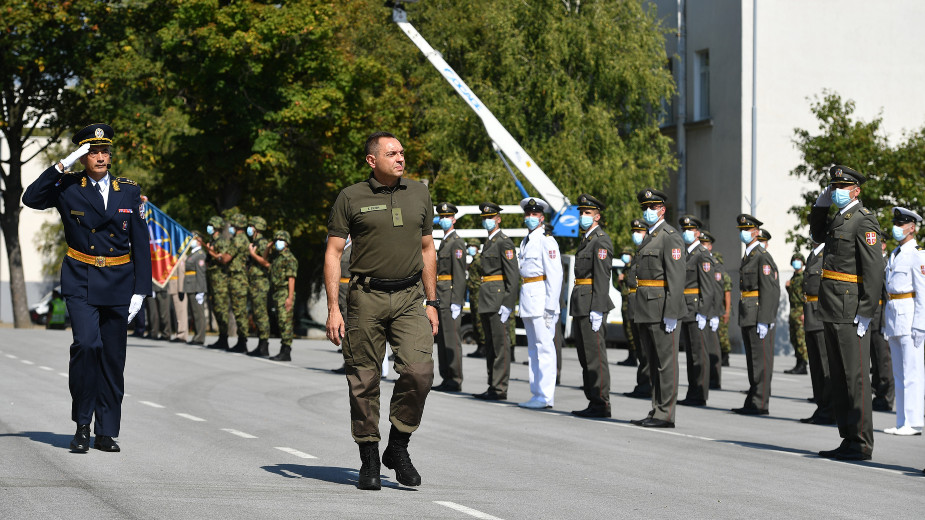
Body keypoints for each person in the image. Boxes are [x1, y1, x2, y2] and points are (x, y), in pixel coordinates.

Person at [22, 123, 152, 453]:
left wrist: (141, 290)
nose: (100, 157)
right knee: (86, 346)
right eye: (92, 152)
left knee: (112, 358)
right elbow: (31, 198)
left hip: (119, 281)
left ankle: (106, 431)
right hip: (80, 277)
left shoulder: (129, 191)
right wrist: (62, 164)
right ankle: (82, 424)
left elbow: (140, 242)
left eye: (104, 151)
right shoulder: (68, 186)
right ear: (83, 156)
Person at [324, 131, 438, 491]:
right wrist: (333, 308)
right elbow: (333, 253)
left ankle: (398, 445)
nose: (401, 158)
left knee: (419, 374)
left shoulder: (419, 192)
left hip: (409, 297)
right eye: (392, 153)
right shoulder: (351, 197)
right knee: (363, 381)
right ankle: (369, 457)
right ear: (372, 160)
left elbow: (427, 249)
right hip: (365, 297)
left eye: (402, 152)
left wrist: (432, 302)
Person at [809, 165, 884, 461]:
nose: (836, 191)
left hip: (851, 309)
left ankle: (862, 442)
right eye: (833, 187)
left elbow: (875, 269)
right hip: (831, 306)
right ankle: (849, 437)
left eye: (841, 187)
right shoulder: (840, 218)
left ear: (856, 190)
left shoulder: (863, 221)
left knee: (855, 377)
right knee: (839, 376)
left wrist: (867, 311)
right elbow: (816, 235)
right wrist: (819, 206)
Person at [629, 189, 684, 428]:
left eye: (652, 207)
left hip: (662, 308)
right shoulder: (650, 237)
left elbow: (676, 278)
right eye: (645, 208)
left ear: (662, 209)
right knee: (652, 362)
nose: (647, 212)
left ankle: (666, 414)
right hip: (646, 308)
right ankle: (656, 408)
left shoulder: (670, 236)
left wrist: (671, 313)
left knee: (666, 362)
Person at [569, 194, 615, 418]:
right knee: (585, 356)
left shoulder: (601, 240)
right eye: (581, 212)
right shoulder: (586, 240)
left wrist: (597, 308)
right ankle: (592, 399)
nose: (583, 216)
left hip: (591, 304)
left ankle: (602, 403)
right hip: (581, 302)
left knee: (595, 355)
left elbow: (602, 276)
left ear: (597, 216)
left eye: (587, 213)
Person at [882, 207, 925, 436]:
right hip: (894, 314)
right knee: (899, 372)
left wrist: (920, 324)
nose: (897, 228)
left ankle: (914, 421)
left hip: (910, 316)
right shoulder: (895, 252)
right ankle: (902, 421)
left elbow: (922, 291)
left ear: (912, 227)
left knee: (913, 370)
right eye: (896, 223)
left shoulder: (918, 254)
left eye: (901, 224)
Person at [516, 197, 562, 409]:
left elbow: (555, 275)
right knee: (534, 350)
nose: (530, 218)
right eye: (528, 214)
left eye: (534, 214)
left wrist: (550, 308)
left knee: (545, 348)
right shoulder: (526, 240)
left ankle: (545, 396)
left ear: (542, 217)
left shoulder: (546, 240)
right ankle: (536, 393)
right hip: (528, 298)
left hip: (542, 300)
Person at [733, 214, 780, 416]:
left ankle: (760, 402)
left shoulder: (762, 256)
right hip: (748, 312)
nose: (743, 233)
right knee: (753, 360)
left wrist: (765, 319)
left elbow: (770, 289)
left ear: (755, 232)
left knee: (761, 360)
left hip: (758, 313)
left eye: (747, 229)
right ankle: (753, 398)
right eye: (741, 229)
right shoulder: (748, 256)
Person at [473, 201, 520, 401]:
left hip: (498, 299)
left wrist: (508, 303)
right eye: (484, 218)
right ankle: (493, 385)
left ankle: (500, 388)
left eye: (490, 218)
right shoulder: (489, 241)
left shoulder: (504, 242)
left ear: (498, 219)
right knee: (491, 345)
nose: (487, 221)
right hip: (486, 298)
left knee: (500, 346)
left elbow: (513, 276)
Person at [676, 215, 718, 407]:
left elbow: (708, 287)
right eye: (684, 229)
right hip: (686, 309)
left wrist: (703, 311)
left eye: (690, 230)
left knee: (699, 354)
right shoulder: (686, 254)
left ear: (698, 233)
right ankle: (692, 391)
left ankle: (700, 393)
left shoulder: (703, 254)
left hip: (696, 309)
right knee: (691, 354)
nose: (686, 233)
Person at [432, 202, 467, 392]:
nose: (444, 220)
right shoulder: (445, 242)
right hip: (441, 295)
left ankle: (455, 378)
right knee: (443, 339)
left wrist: (457, 301)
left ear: (454, 219)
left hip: (450, 295)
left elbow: (460, 275)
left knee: (452, 339)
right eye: (442, 217)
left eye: (447, 217)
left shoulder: (456, 242)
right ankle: (446, 376)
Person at [799, 238, 835, 425]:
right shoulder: (813, 255)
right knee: (815, 366)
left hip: (821, 314)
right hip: (810, 312)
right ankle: (821, 407)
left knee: (825, 364)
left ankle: (830, 410)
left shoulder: (827, 255)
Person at [624, 218, 653, 399]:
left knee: (645, 348)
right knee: (639, 349)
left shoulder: (649, 253)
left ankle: (647, 385)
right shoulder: (638, 253)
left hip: (643, 305)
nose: (636, 235)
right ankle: (642, 383)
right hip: (634, 305)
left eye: (639, 231)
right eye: (634, 231)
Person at [870, 235, 895, 413]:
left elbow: (887, 295)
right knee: (875, 360)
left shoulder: (887, 264)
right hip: (871, 316)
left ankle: (886, 397)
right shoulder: (871, 262)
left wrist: (887, 322)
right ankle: (878, 394)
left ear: (884, 245)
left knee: (884, 360)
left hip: (881, 316)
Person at [697, 229, 723, 389]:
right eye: (701, 243)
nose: (703, 246)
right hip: (700, 308)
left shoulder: (715, 264)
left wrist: (714, 313)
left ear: (710, 246)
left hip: (711, 311)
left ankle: (714, 379)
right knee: (702, 347)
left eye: (705, 244)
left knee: (713, 347)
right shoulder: (698, 260)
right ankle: (705, 378)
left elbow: (717, 290)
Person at [268, 230, 298, 362]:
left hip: (285, 292)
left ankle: (286, 351)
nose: (277, 242)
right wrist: (269, 246)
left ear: (286, 242)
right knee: (281, 321)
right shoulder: (277, 257)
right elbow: (264, 258)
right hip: (277, 292)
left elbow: (291, 279)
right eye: (276, 240)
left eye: (280, 240)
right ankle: (283, 349)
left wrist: (290, 298)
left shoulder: (289, 258)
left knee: (285, 321)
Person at [246, 216, 272, 357]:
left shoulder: (262, 243)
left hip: (260, 283)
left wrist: (252, 254)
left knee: (261, 313)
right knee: (256, 313)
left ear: (256, 227)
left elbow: (266, 263)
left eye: (251, 226)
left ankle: (264, 345)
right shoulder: (255, 242)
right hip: (254, 282)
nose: (249, 228)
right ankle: (261, 343)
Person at [204, 216, 232, 349]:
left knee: (221, 309)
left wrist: (211, 252)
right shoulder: (212, 241)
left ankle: (224, 337)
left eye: (211, 225)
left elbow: (223, 258)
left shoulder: (222, 241)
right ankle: (222, 337)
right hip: (213, 278)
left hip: (220, 279)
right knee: (216, 308)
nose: (209, 228)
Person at [227, 213, 251, 353]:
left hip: (238, 279)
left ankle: (242, 341)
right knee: (239, 310)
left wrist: (218, 257)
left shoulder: (238, 240)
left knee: (239, 310)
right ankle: (242, 340)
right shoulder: (244, 239)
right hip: (239, 278)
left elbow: (226, 258)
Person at [785, 253, 809, 374]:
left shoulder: (804, 277)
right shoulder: (793, 278)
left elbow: (805, 296)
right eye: (794, 260)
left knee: (801, 339)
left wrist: (805, 313)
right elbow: (793, 296)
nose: (796, 262)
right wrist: (788, 288)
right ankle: (798, 362)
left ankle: (803, 364)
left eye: (799, 260)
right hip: (793, 310)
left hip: (800, 310)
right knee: (793, 338)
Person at [183, 232, 208, 345]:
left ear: (199, 240)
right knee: (194, 313)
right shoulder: (192, 254)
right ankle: (196, 335)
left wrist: (200, 291)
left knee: (199, 313)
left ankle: (200, 337)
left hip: (196, 286)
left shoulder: (200, 254)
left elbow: (201, 273)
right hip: (190, 286)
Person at [616, 246, 638, 367]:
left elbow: (634, 283)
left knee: (631, 330)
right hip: (625, 301)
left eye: (626, 254)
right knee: (627, 329)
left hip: (632, 303)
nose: (624, 256)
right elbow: (622, 288)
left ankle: (634, 357)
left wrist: (625, 278)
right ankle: (631, 356)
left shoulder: (633, 268)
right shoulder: (625, 269)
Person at [465, 238, 488, 358]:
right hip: (474, 295)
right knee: (475, 321)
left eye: (472, 246)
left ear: (477, 247)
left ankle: (483, 347)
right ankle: (480, 346)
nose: (470, 248)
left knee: (480, 321)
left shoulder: (480, 261)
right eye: (469, 246)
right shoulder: (474, 261)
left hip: (479, 294)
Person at [166, 260, 188, 343]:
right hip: (173, 287)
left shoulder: (181, 257)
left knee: (181, 313)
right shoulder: (174, 256)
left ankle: (182, 335)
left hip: (178, 288)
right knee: (176, 314)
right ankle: (178, 332)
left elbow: (181, 273)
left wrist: (181, 289)